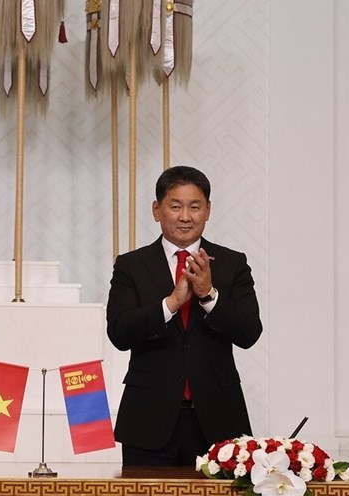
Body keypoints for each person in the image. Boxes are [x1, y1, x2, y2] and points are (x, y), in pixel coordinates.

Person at [106, 165, 262, 466]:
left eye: (195, 207)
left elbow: (249, 333)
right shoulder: (131, 266)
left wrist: (208, 295)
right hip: (147, 420)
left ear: (208, 210)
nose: (186, 217)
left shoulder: (232, 264)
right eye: (175, 206)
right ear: (157, 210)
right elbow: (119, 333)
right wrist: (170, 303)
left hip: (218, 421)